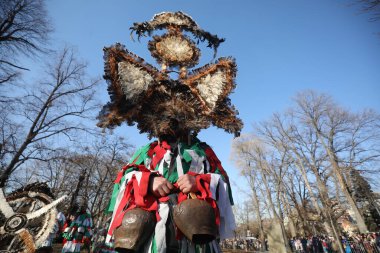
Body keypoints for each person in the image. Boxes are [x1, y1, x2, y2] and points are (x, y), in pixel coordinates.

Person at [105, 136, 236, 253]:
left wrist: (199, 182)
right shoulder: (147, 150)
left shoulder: (203, 150)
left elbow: (224, 181)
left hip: (197, 230)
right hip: (153, 233)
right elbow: (123, 178)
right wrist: (148, 181)